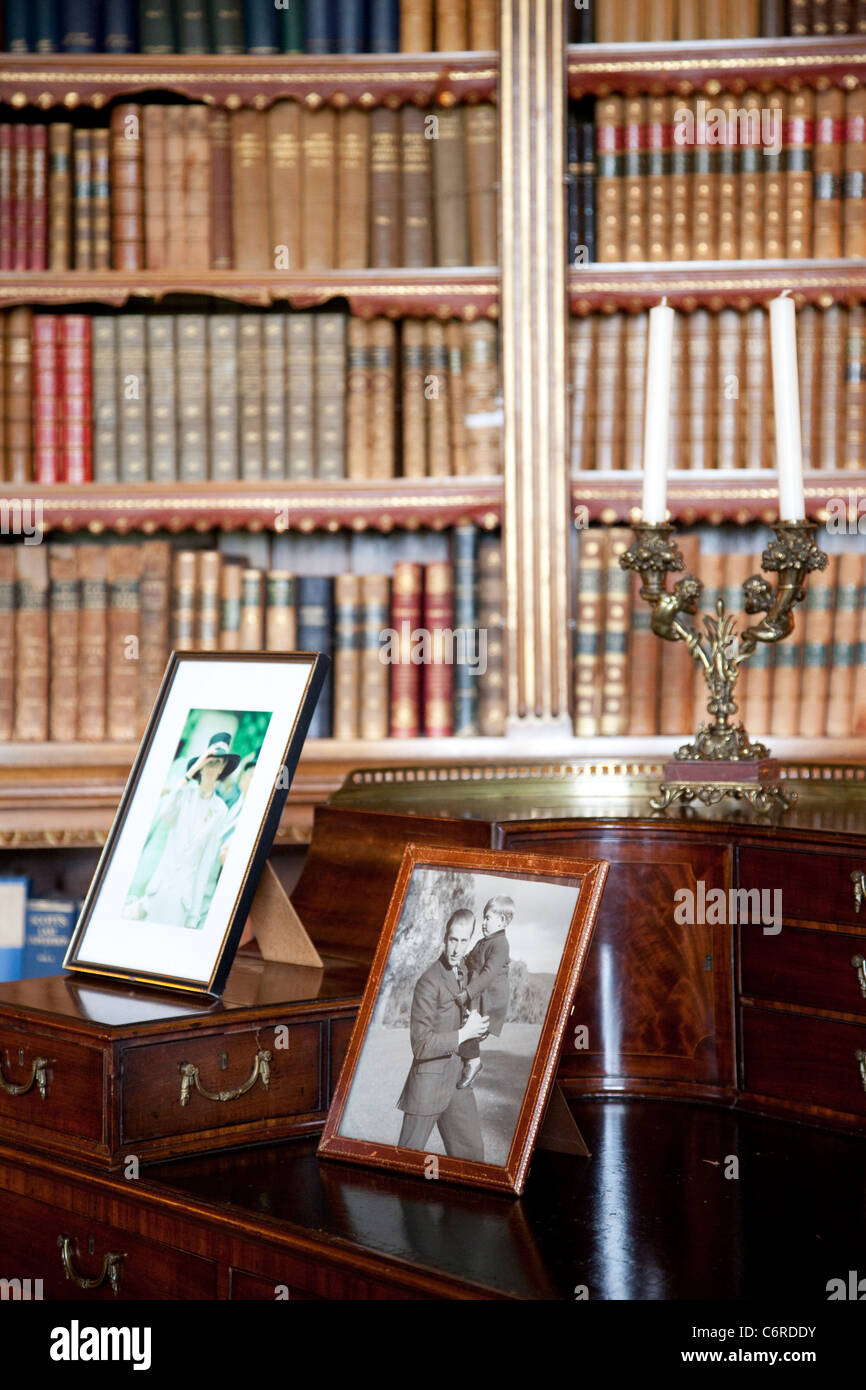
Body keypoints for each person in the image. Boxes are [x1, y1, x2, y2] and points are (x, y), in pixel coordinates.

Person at [396, 909, 489, 1161]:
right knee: (407, 1163)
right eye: (452, 940)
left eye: (463, 941)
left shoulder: (467, 976)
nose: (457, 949)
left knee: (473, 1160)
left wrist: (479, 1029)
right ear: (444, 938)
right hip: (427, 1085)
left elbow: (467, 1023)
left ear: (470, 941)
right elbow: (421, 1044)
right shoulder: (428, 981)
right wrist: (463, 1033)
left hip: (458, 1084)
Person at [123, 732, 240, 930]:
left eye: (218, 763)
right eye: (209, 762)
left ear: (222, 768)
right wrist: (189, 774)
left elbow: (206, 863)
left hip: (183, 900)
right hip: (158, 890)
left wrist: (195, 914)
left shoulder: (220, 809)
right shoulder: (184, 794)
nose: (212, 767)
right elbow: (165, 812)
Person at [455, 895, 513, 1090]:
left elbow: (488, 974)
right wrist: (455, 962)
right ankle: (466, 1060)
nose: (484, 923)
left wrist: (467, 993)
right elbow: (470, 960)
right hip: (480, 995)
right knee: (463, 1024)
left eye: (488, 918)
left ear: (502, 920)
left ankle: (473, 1063)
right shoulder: (483, 942)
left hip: (490, 998)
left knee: (468, 1025)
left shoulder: (500, 944)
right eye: (484, 918)